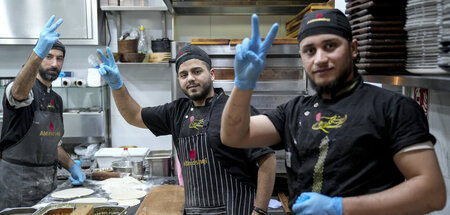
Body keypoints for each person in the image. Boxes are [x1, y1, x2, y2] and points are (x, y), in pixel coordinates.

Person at [220, 11, 446, 215]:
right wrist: (243, 84)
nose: (319, 59)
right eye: (309, 50)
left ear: (353, 48)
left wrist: (339, 208)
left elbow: (432, 192)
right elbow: (234, 135)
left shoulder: (393, 108)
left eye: (330, 46)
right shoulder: (294, 111)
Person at [96, 44, 276, 215]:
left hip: (237, 209)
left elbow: (267, 159)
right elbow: (134, 115)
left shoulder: (235, 108)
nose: (190, 78)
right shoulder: (176, 111)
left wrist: (259, 210)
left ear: (212, 74)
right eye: (183, 74)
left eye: (197, 71)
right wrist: (116, 85)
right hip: (195, 209)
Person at [0, 15, 86, 210]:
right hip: (17, 188)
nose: (54, 64)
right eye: (48, 56)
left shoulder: (57, 99)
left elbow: (51, 144)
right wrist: (37, 53)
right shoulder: (23, 89)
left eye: (59, 58)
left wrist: (71, 165)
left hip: (48, 187)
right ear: (39, 58)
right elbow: (17, 92)